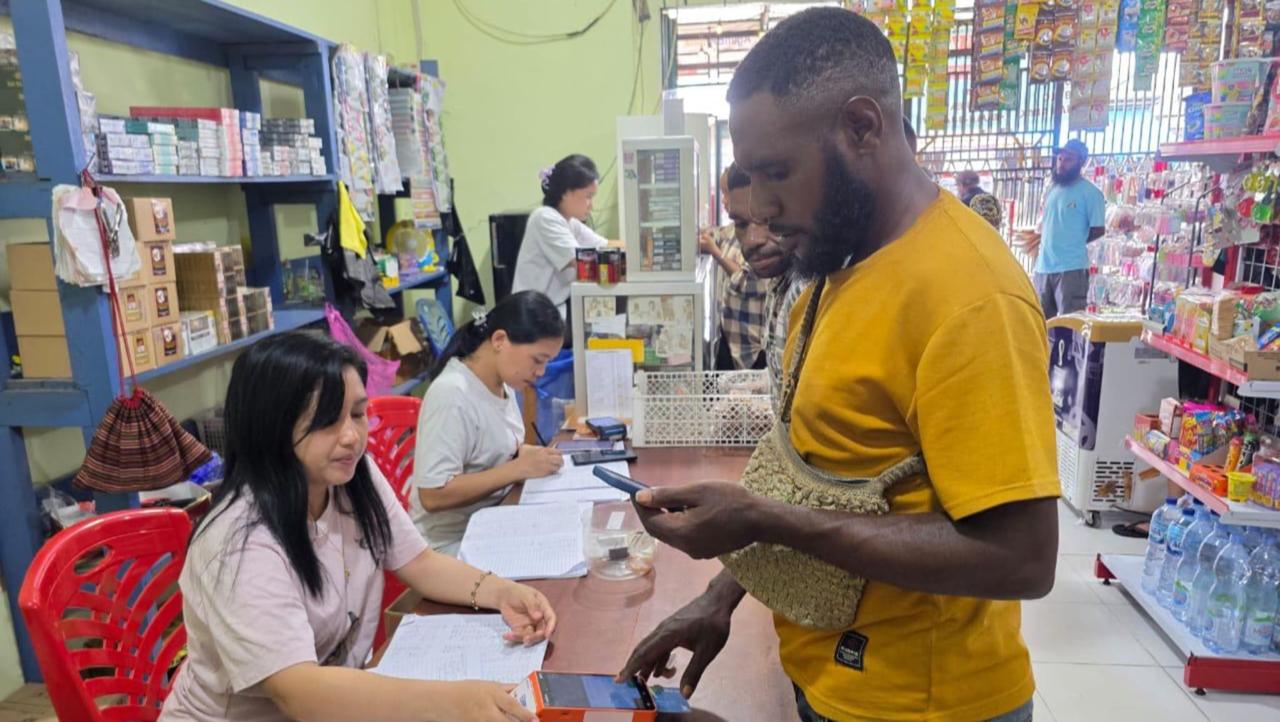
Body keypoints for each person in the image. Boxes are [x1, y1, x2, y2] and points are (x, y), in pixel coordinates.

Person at [617, 9, 1058, 722]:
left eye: (778, 174)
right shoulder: (835, 264)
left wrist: (769, 521)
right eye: (747, 178)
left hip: (924, 703)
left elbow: (1022, 559)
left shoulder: (970, 297)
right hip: (832, 674)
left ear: (861, 127)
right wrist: (721, 594)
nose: (761, 208)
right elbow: (818, 462)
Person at [161, 331, 555, 722]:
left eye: (357, 414)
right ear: (272, 426)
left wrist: (501, 591)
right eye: (326, 421)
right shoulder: (238, 542)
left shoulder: (349, 475)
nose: (352, 437)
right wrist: (455, 703)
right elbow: (299, 692)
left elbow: (419, 562)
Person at [412, 291, 566, 556]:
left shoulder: (501, 383)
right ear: (499, 340)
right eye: (537, 360)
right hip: (450, 546)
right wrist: (517, 468)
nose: (541, 372)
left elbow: (491, 449)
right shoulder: (452, 395)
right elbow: (433, 495)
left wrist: (521, 454)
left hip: (493, 521)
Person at [511, 154, 609, 337]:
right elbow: (582, 262)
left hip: (550, 314)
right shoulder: (545, 218)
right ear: (565, 192)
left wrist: (639, 248)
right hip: (531, 320)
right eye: (588, 196)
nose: (591, 205)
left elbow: (606, 246)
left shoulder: (569, 222)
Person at [1020, 139, 1105, 318]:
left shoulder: (1091, 193)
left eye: (1068, 159)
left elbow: (1098, 229)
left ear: (1081, 162)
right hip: (1043, 267)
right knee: (1041, 325)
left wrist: (1072, 240)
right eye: (1060, 158)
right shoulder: (1052, 189)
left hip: (1071, 268)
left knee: (1069, 325)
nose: (1062, 163)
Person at [701, 164, 770, 370]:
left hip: (752, 345)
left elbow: (751, 282)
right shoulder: (731, 230)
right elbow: (717, 234)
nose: (724, 200)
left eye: (726, 193)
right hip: (731, 339)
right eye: (723, 193)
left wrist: (716, 253)